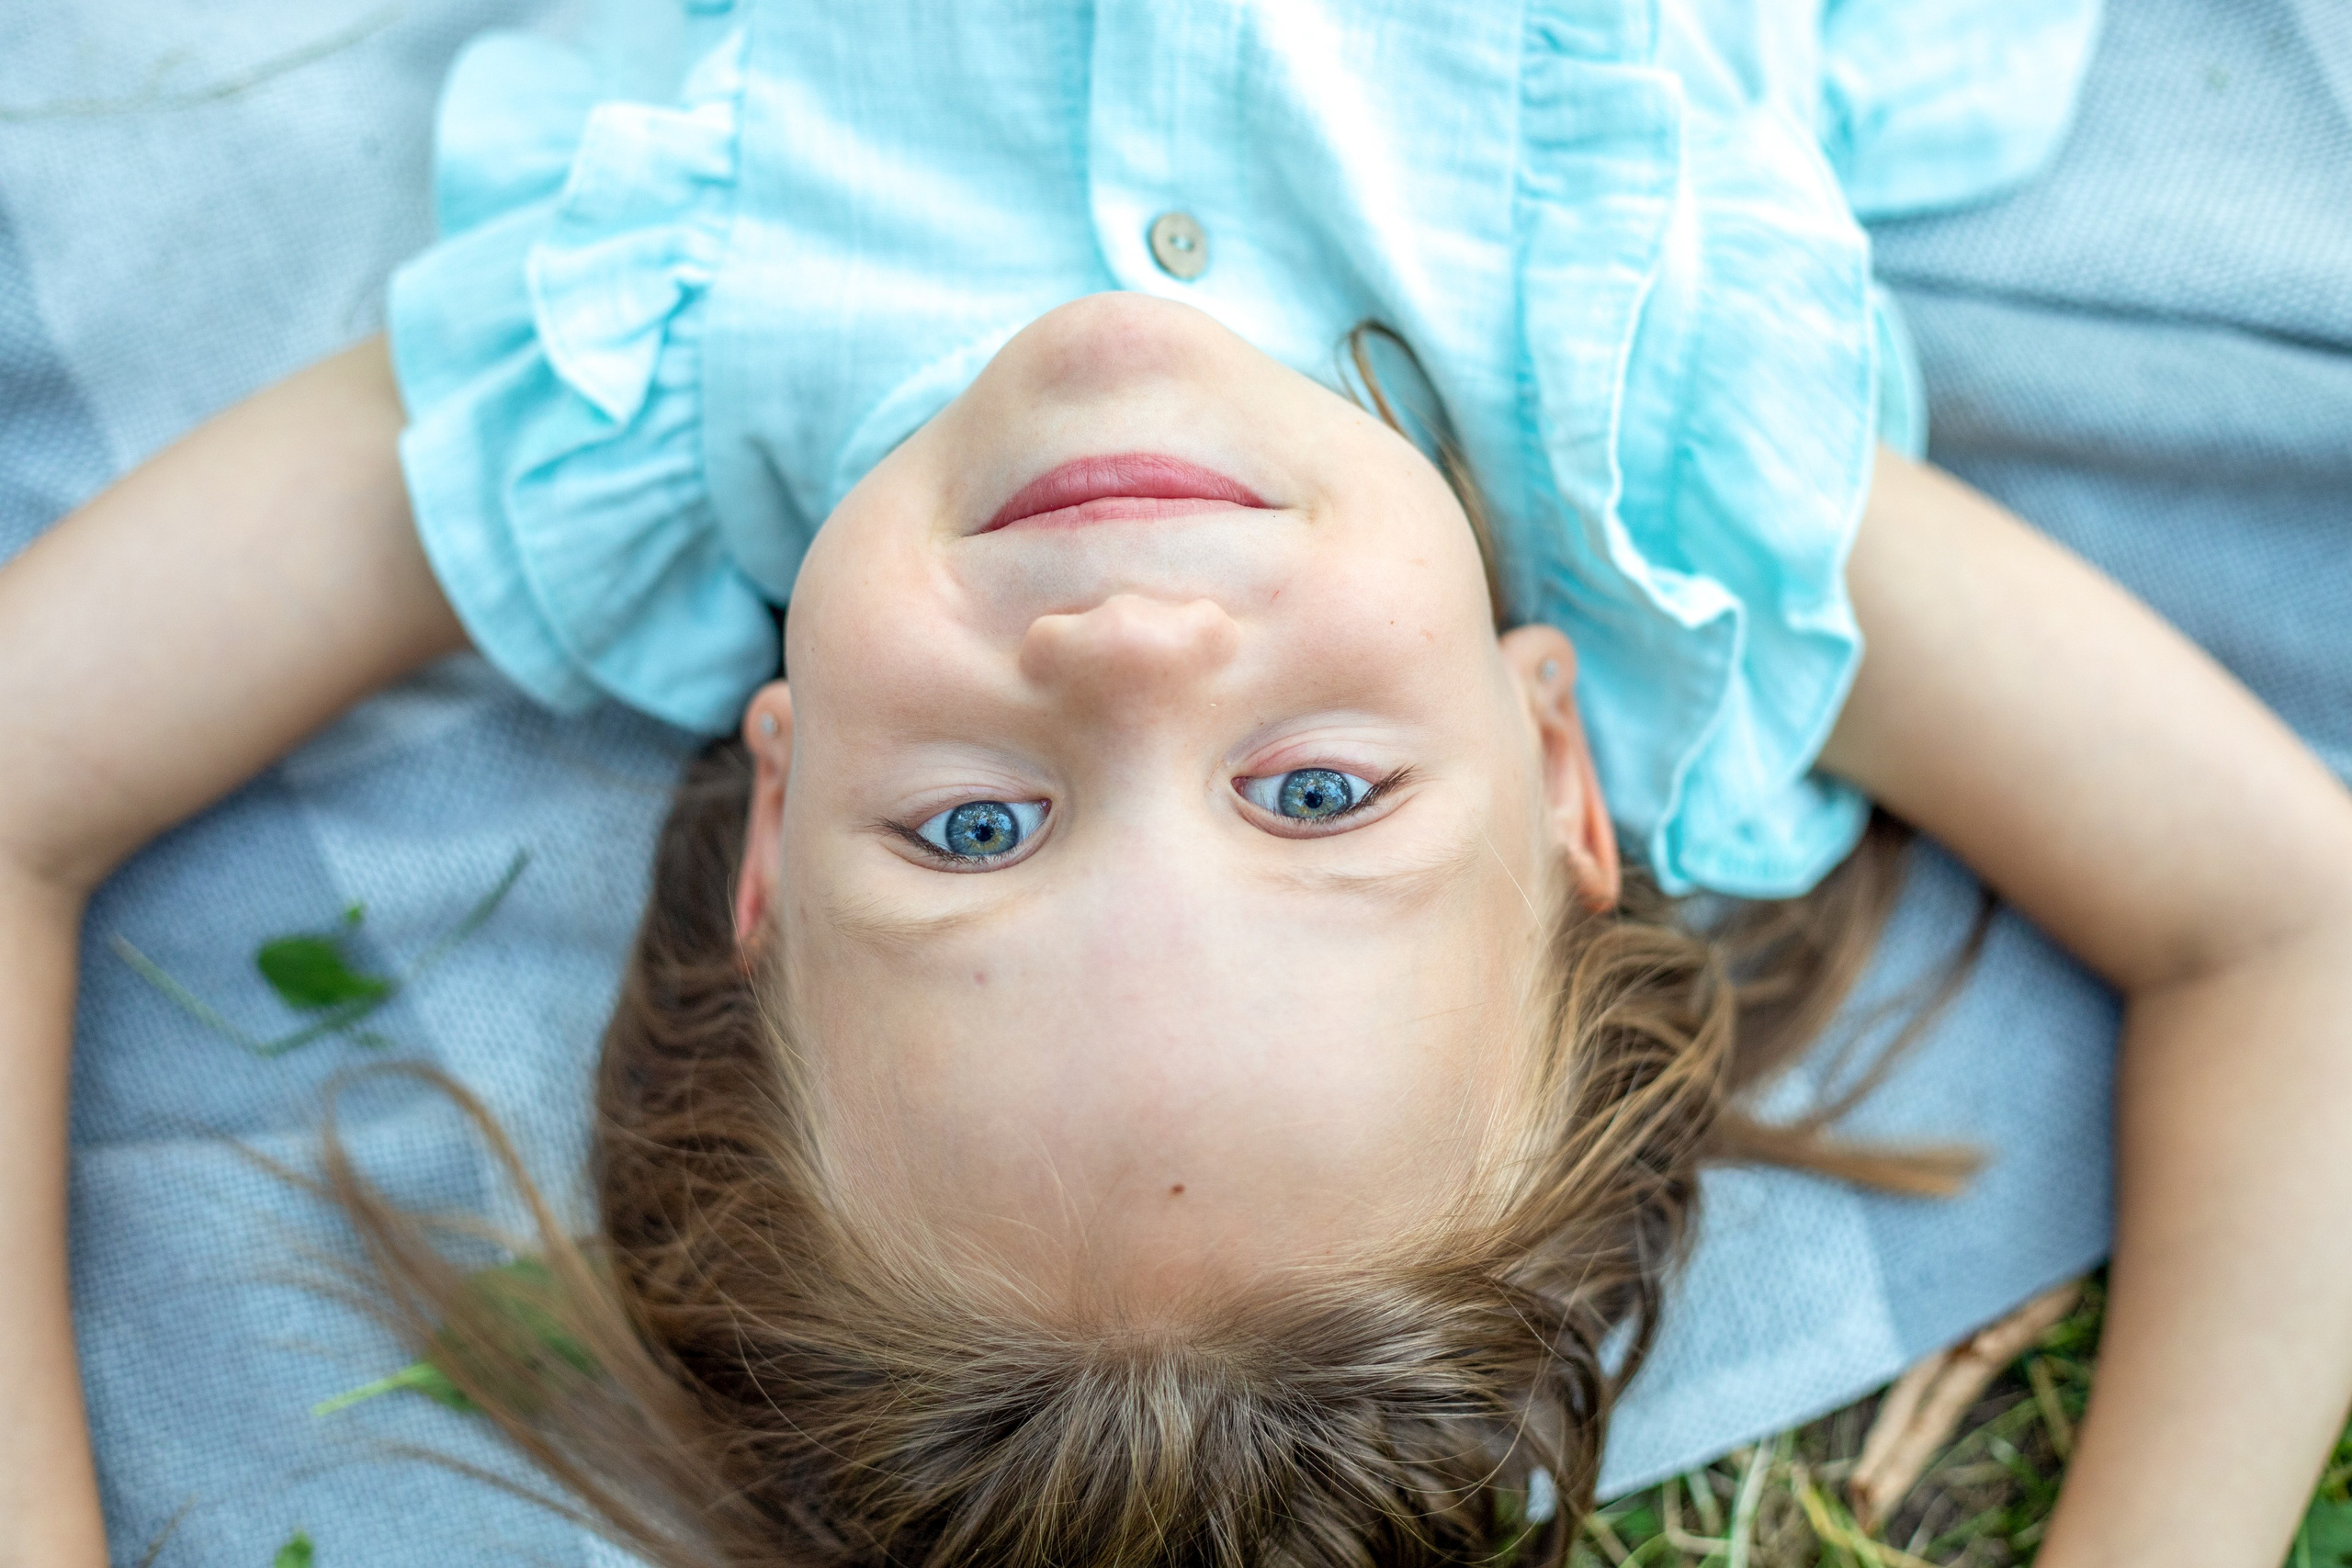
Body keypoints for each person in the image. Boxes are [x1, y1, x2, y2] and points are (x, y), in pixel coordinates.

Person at [3, 2, 2349, 1563]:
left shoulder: (626, 377)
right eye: (1315, 796)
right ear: (1554, 762)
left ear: (775, 841)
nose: (1130, 649)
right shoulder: (1662, 456)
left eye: (979, 829)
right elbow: (2283, 926)